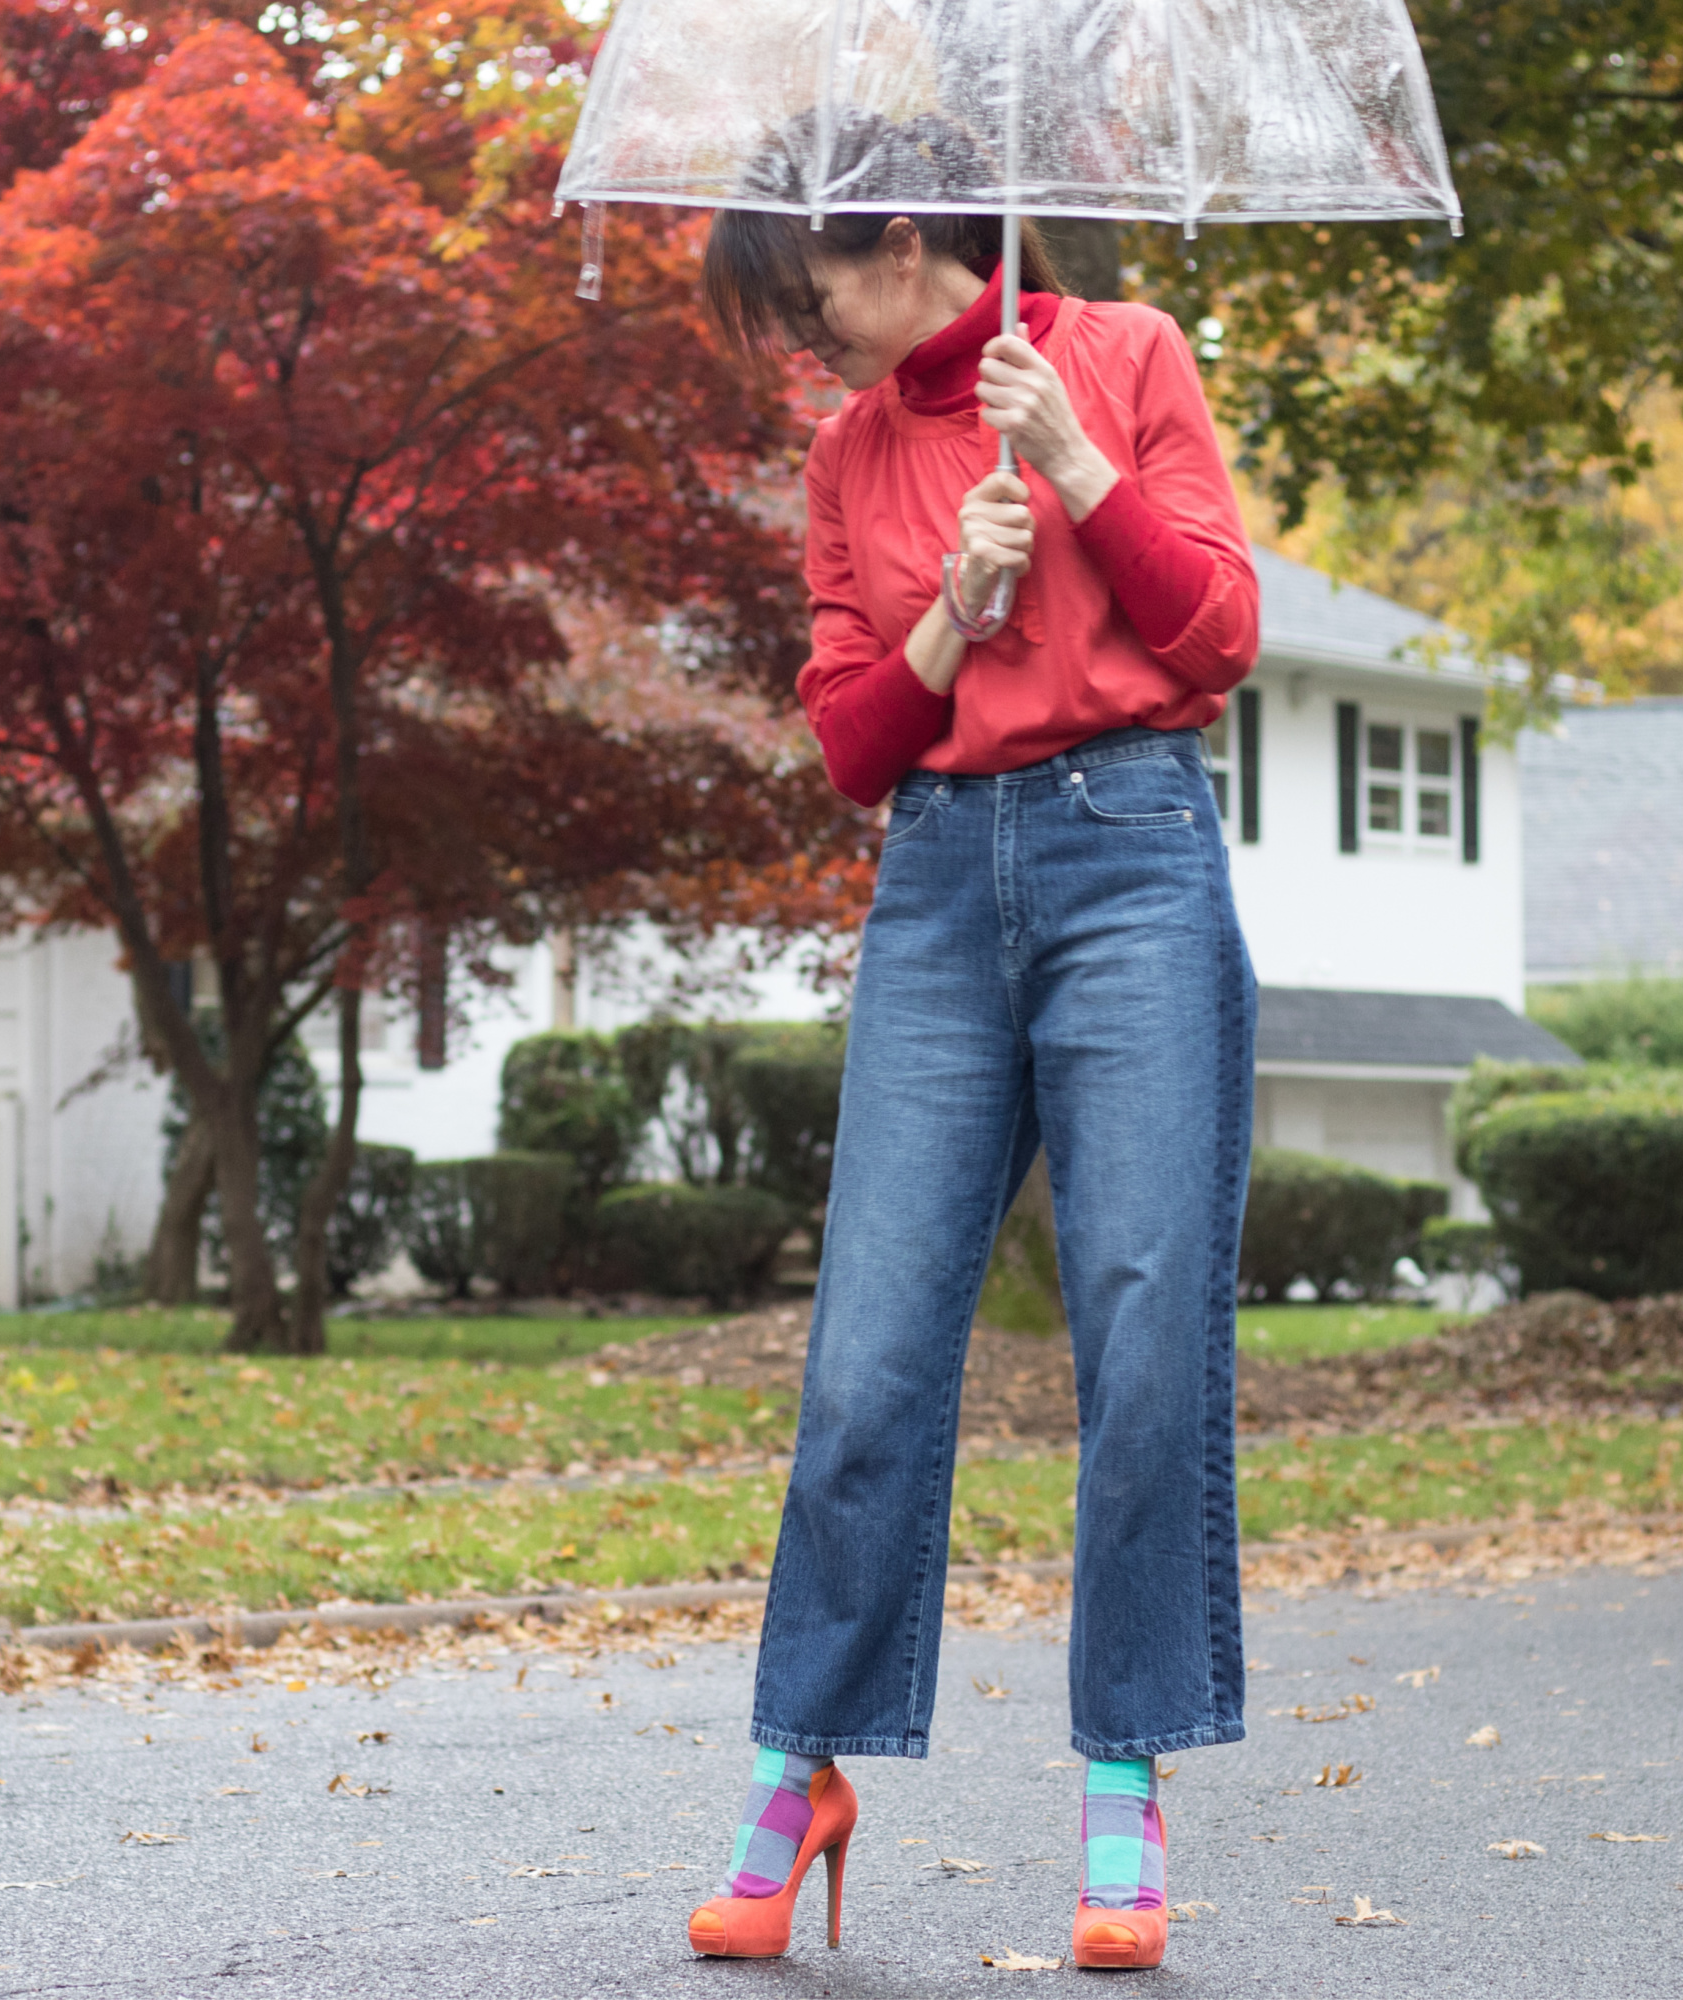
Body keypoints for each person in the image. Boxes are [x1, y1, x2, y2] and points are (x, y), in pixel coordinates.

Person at [682, 159, 1263, 1974]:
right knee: (865, 1357)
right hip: (940, 880)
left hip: (1134, 859)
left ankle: (1121, 1786)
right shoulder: (854, 456)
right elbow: (859, 739)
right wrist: (950, 611)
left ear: (905, 243)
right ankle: (806, 1767)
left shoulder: (1127, 352)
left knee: (1147, 1333)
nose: (805, 349)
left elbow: (1222, 637)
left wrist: (1079, 472)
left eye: (811, 303)